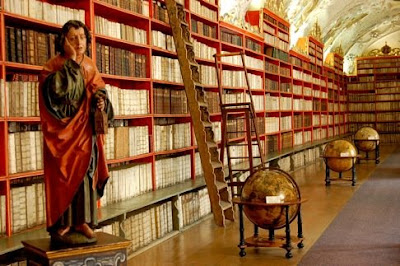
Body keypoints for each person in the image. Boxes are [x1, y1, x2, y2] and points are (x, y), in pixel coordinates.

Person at [38, 20, 113, 244]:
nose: (78, 42)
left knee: (84, 177)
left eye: (82, 37)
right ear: (63, 41)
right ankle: (63, 222)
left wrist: (101, 102)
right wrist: (70, 62)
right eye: (73, 38)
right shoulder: (52, 66)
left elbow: (99, 90)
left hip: (84, 134)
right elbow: (54, 95)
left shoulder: (90, 65)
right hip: (61, 134)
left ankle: (83, 221)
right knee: (62, 176)